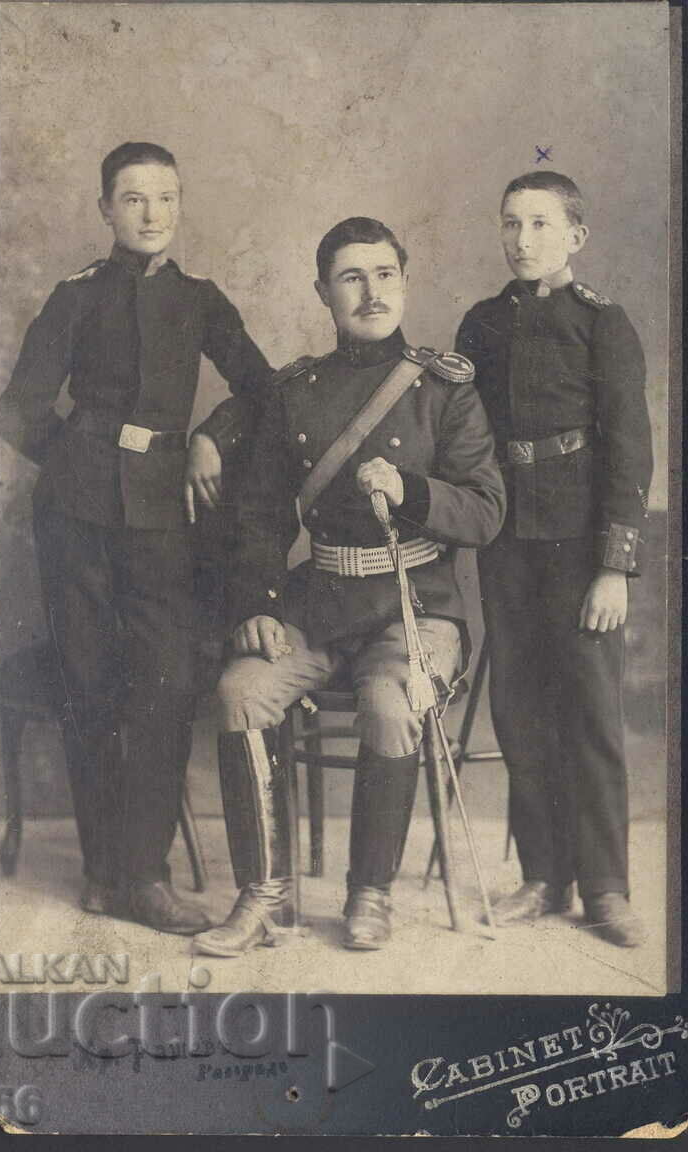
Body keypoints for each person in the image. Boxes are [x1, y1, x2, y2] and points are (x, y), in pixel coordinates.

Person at [193, 216, 505, 959]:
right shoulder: (297, 391)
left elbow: (486, 511)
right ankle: (262, 896)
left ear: (404, 281)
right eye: (351, 277)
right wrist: (255, 607)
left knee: (388, 699)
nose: (371, 292)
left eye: (385, 274)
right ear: (323, 293)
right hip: (318, 600)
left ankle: (370, 891)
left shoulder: (444, 392)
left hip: (416, 606)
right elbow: (262, 514)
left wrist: (412, 490)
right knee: (240, 690)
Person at [0, 142, 272, 934]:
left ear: (179, 205)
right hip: (74, 517)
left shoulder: (203, 299)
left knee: (165, 681)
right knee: (88, 684)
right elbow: (17, 408)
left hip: (164, 520)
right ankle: (100, 870)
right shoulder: (75, 296)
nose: (151, 213)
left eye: (164, 197)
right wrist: (83, 458)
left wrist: (211, 435)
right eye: (132, 198)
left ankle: (144, 876)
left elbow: (258, 388)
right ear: (105, 210)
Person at [454, 171, 654, 947]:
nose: (522, 240)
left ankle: (604, 885)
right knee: (520, 711)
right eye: (510, 224)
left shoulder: (603, 324)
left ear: (575, 236)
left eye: (539, 225)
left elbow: (630, 450)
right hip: (506, 541)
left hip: (579, 545)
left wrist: (613, 566)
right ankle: (542, 875)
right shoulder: (480, 323)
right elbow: (464, 432)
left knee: (590, 715)